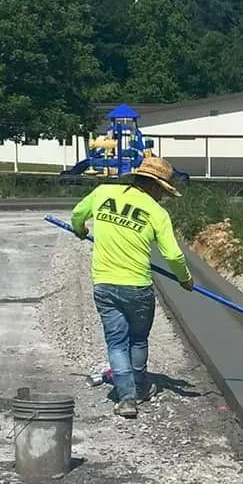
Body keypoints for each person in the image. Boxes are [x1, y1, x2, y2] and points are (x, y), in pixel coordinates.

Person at [70, 154, 194, 418]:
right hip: (137, 287)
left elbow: (77, 214)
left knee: (116, 342)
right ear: (154, 186)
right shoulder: (157, 213)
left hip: (104, 283)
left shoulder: (102, 193)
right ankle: (138, 387)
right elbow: (173, 255)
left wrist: (80, 230)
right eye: (162, 191)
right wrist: (185, 279)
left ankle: (126, 399)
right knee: (137, 339)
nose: (162, 197)